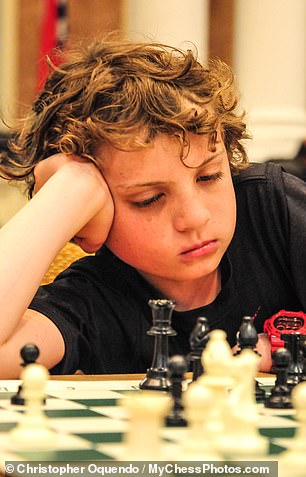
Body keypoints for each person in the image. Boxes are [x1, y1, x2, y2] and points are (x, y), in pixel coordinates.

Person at [0, 38, 305, 378]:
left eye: (209, 176)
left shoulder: (273, 208)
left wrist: (287, 347)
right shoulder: (92, 298)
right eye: (149, 199)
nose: (195, 218)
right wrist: (72, 185)